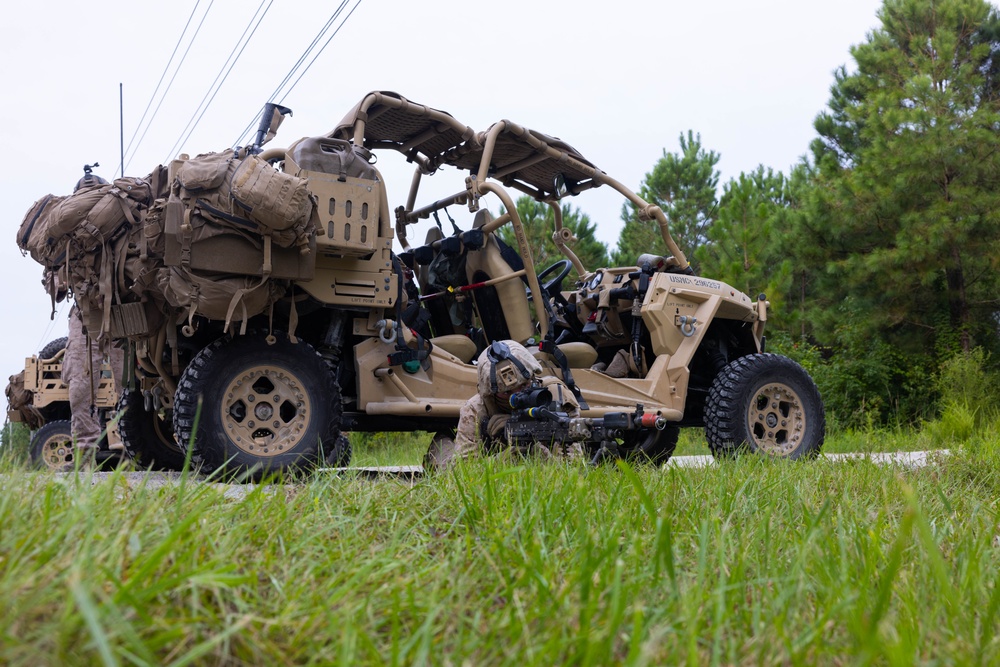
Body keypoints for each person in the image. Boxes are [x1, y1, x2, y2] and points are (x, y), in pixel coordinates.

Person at [448, 340, 583, 465]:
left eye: (524, 386)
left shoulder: (555, 395)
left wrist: (539, 453)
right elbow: (463, 469)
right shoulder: (477, 409)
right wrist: (503, 458)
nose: (517, 396)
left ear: (532, 376)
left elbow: (574, 466)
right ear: (490, 393)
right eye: (506, 392)